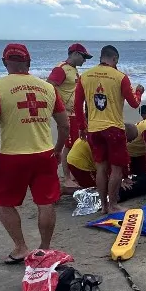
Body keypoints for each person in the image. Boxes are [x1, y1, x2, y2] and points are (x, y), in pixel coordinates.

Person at [0, 43, 69, 263]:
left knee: (4, 202)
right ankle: (45, 248)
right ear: (28, 63)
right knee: (45, 203)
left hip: (12, 156)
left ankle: (20, 247)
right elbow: (65, 125)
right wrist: (57, 150)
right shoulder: (47, 88)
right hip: (44, 153)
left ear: (4, 62)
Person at [73, 44, 145, 214]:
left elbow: (77, 105)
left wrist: (82, 127)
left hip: (94, 128)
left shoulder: (85, 76)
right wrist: (139, 92)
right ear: (115, 59)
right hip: (113, 128)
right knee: (117, 168)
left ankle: (104, 206)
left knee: (101, 168)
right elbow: (134, 103)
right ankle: (112, 204)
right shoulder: (120, 77)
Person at [46, 43, 92, 189]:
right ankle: (66, 177)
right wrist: (60, 106)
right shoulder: (62, 69)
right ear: (75, 54)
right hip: (65, 113)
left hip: (73, 113)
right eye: (83, 57)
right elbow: (49, 86)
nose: (85, 60)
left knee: (74, 143)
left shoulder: (73, 70)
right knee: (69, 145)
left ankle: (71, 174)